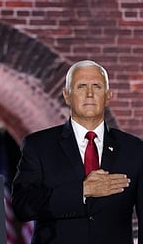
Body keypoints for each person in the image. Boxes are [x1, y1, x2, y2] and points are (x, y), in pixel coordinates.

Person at [11, 60, 143, 244]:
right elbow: (22, 206)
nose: (89, 94)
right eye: (81, 86)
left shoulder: (134, 149)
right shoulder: (38, 145)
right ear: (67, 95)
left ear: (108, 96)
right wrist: (82, 190)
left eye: (96, 86)